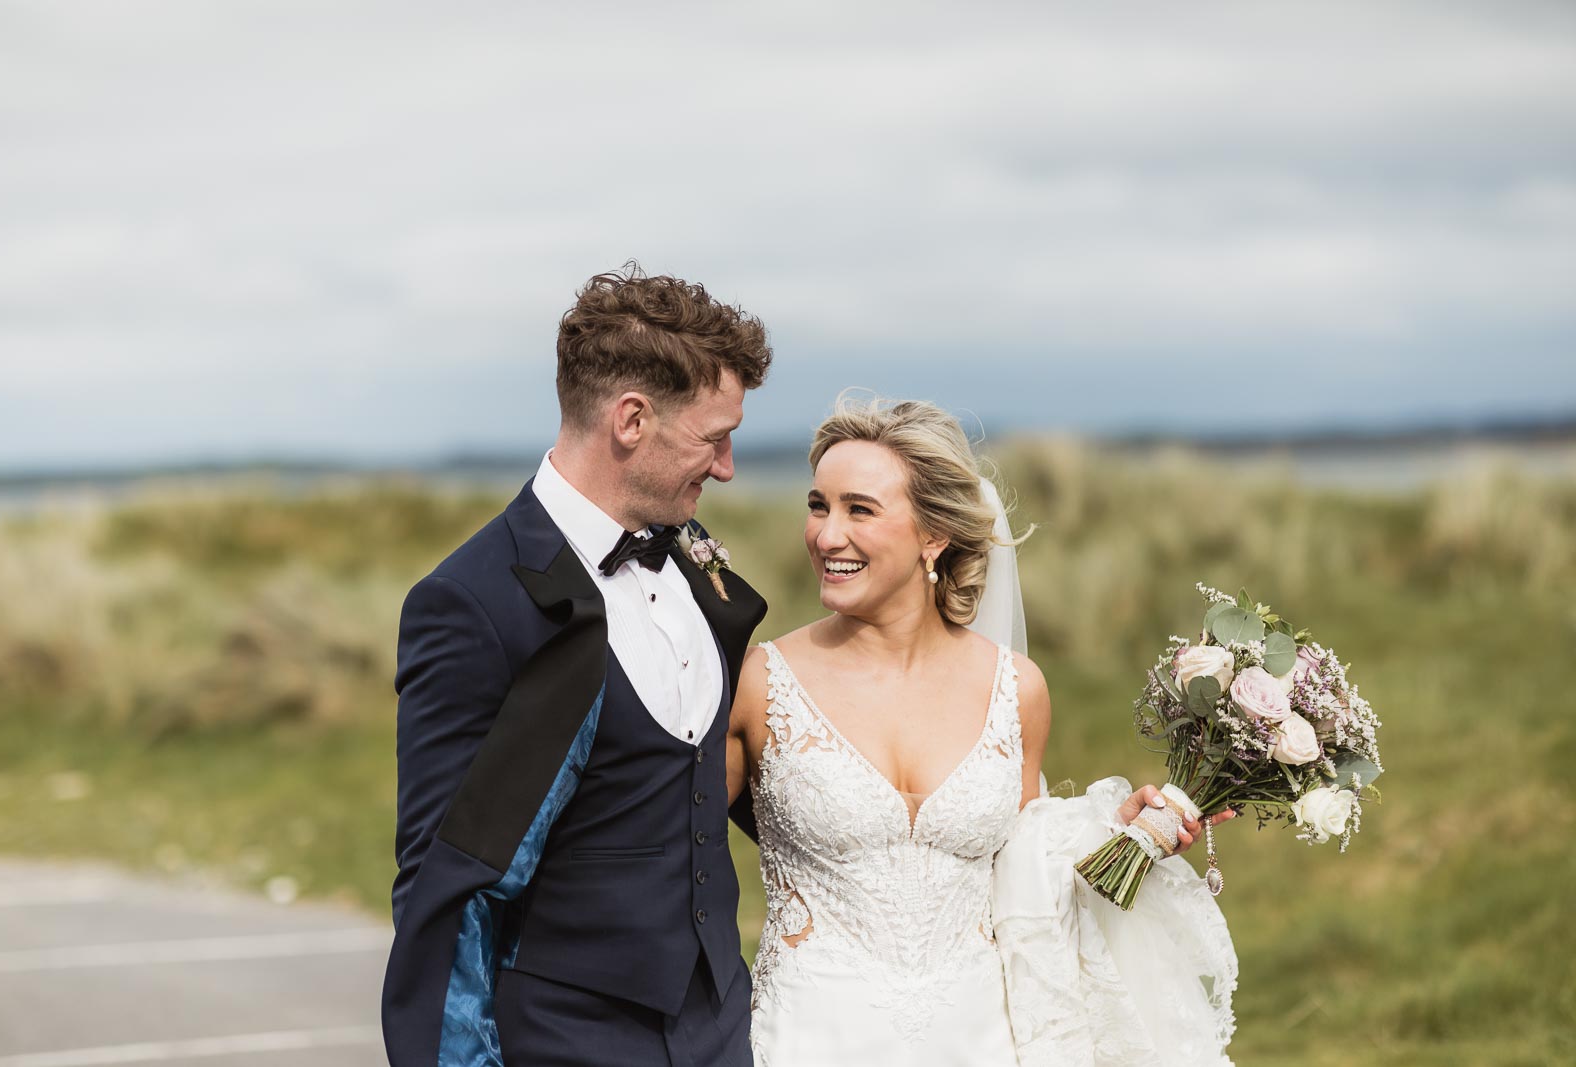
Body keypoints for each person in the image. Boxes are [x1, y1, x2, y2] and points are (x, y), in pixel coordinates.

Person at [726, 396, 1238, 1066]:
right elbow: (676, 854)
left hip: (982, 1039)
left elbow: (1020, 866)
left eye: (859, 509)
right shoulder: (760, 682)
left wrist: (1117, 833)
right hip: (807, 1037)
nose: (825, 536)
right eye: (818, 506)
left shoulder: (1016, 688)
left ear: (933, 535)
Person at [382, 265, 772, 1067]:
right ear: (632, 419)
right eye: (714, 437)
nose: (727, 465)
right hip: (564, 1041)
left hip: (724, 1033)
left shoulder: (697, 567)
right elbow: (442, 891)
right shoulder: (470, 602)